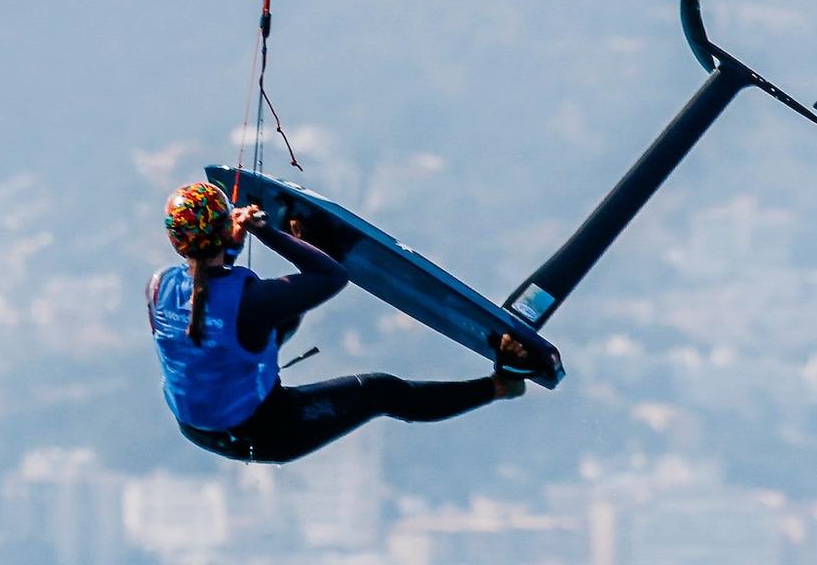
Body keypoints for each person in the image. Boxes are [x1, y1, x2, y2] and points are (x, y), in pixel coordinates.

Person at [147, 181, 532, 464]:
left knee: (274, 318)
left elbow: (210, 286)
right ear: (224, 231)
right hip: (263, 433)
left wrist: (232, 239)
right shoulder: (253, 304)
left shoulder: (159, 287)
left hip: (195, 428)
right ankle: (502, 386)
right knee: (381, 391)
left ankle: (312, 251)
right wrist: (265, 231)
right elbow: (332, 279)